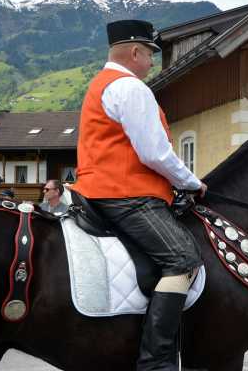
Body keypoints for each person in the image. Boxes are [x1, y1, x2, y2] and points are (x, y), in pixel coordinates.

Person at [71, 19, 206, 370]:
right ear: (134, 52)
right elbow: (154, 153)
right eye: (149, 55)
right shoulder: (131, 88)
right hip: (126, 194)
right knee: (184, 259)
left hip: (100, 190)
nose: (151, 63)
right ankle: (157, 361)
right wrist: (193, 182)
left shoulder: (101, 85)